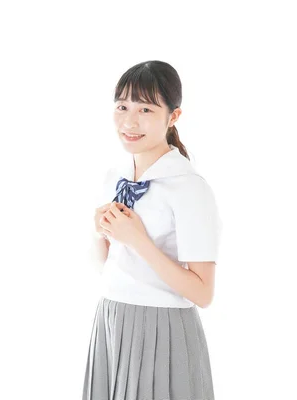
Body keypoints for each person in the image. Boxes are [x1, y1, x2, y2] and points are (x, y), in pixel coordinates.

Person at [83, 60, 223, 400]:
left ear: (173, 116)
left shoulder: (189, 188)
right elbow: (106, 268)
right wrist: (99, 232)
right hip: (111, 317)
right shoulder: (113, 177)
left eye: (146, 109)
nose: (130, 121)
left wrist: (139, 241)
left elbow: (202, 294)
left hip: (164, 327)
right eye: (122, 107)